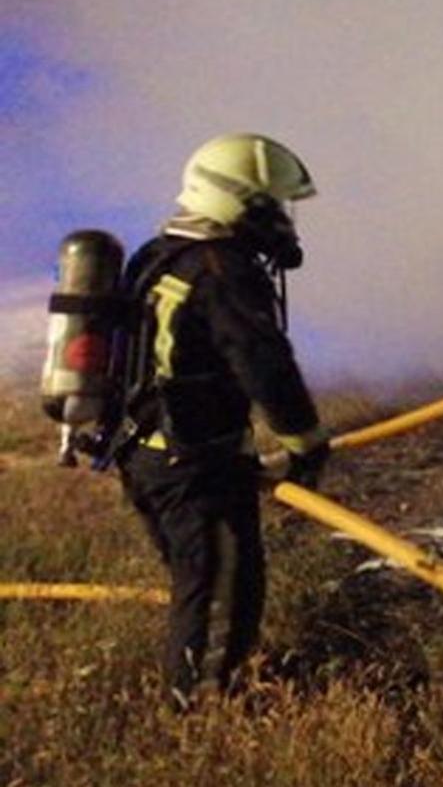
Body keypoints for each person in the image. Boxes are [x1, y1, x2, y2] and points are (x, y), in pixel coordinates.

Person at [116, 132, 330, 708]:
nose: (281, 222)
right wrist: (305, 442)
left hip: (149, 453)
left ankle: (215, 682)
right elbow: (264, 364)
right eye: (271, 206)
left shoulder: (158, 252)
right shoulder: (222, 268)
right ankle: (201, 714)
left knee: (206, 580)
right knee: (218, 590)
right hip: (196, 467)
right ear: (238, 201)